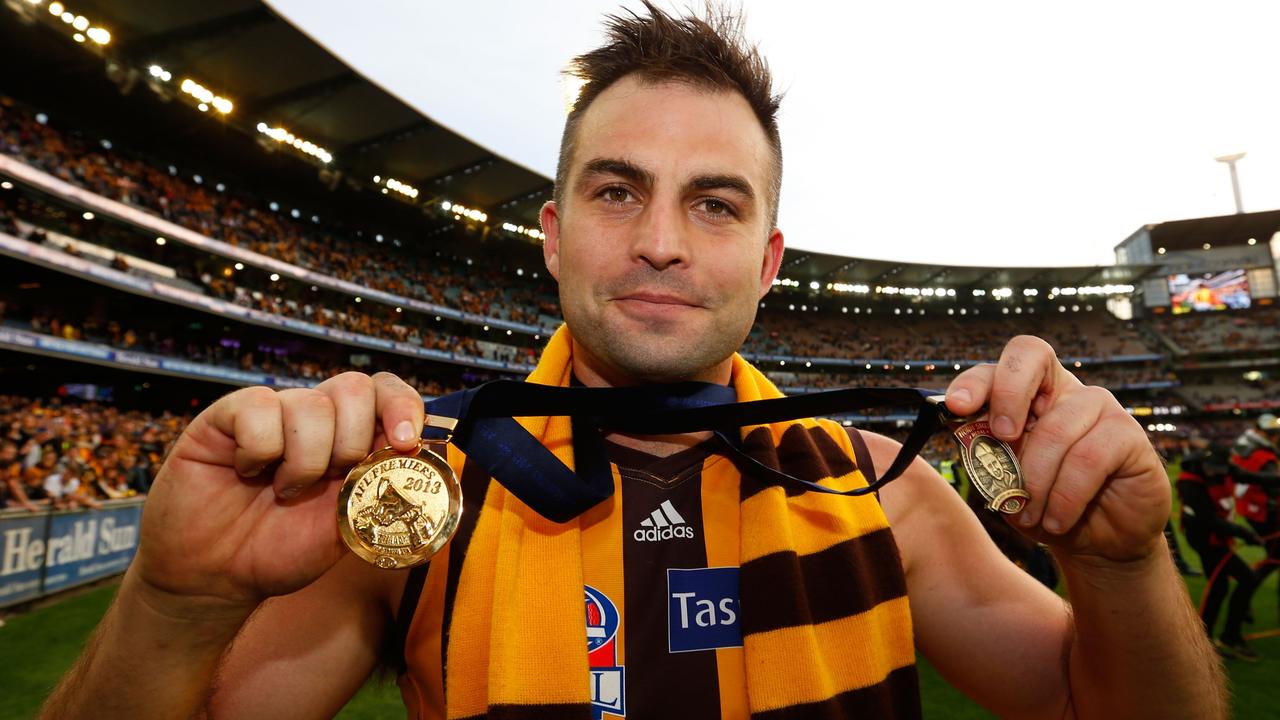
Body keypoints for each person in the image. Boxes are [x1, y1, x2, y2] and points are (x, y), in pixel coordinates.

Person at [43, 4, 1223, 719]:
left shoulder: (882, 485)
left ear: (767, 264)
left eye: (712, 205)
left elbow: (1086, 706)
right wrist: (173, 605)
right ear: (553, 235)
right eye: (616, 191)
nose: (659, 240)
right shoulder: (417, 499)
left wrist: (1119, 570)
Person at [1175, 438, 1262, 660]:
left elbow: (1248, 476)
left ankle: (1212, 639)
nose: (1217, 473)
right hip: (1206, 539)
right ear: (1205, 462)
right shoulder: (1190, 483)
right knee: (1239, 581)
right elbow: (1208, 520)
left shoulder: (1221, 467)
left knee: (1221, 586)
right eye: (1213, 469)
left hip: (1218, 537)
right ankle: (1221, 639)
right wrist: (1246, 533)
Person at [1232, 413, 1280, 613]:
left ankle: (1244, 599)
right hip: (1264, 510)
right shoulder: (1264, 456)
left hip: (1249, 507)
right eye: (1274, 433)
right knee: (1274, 558)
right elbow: (1274, 487)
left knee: (1274, 557)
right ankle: (1243, 597)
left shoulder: (1243, 446)